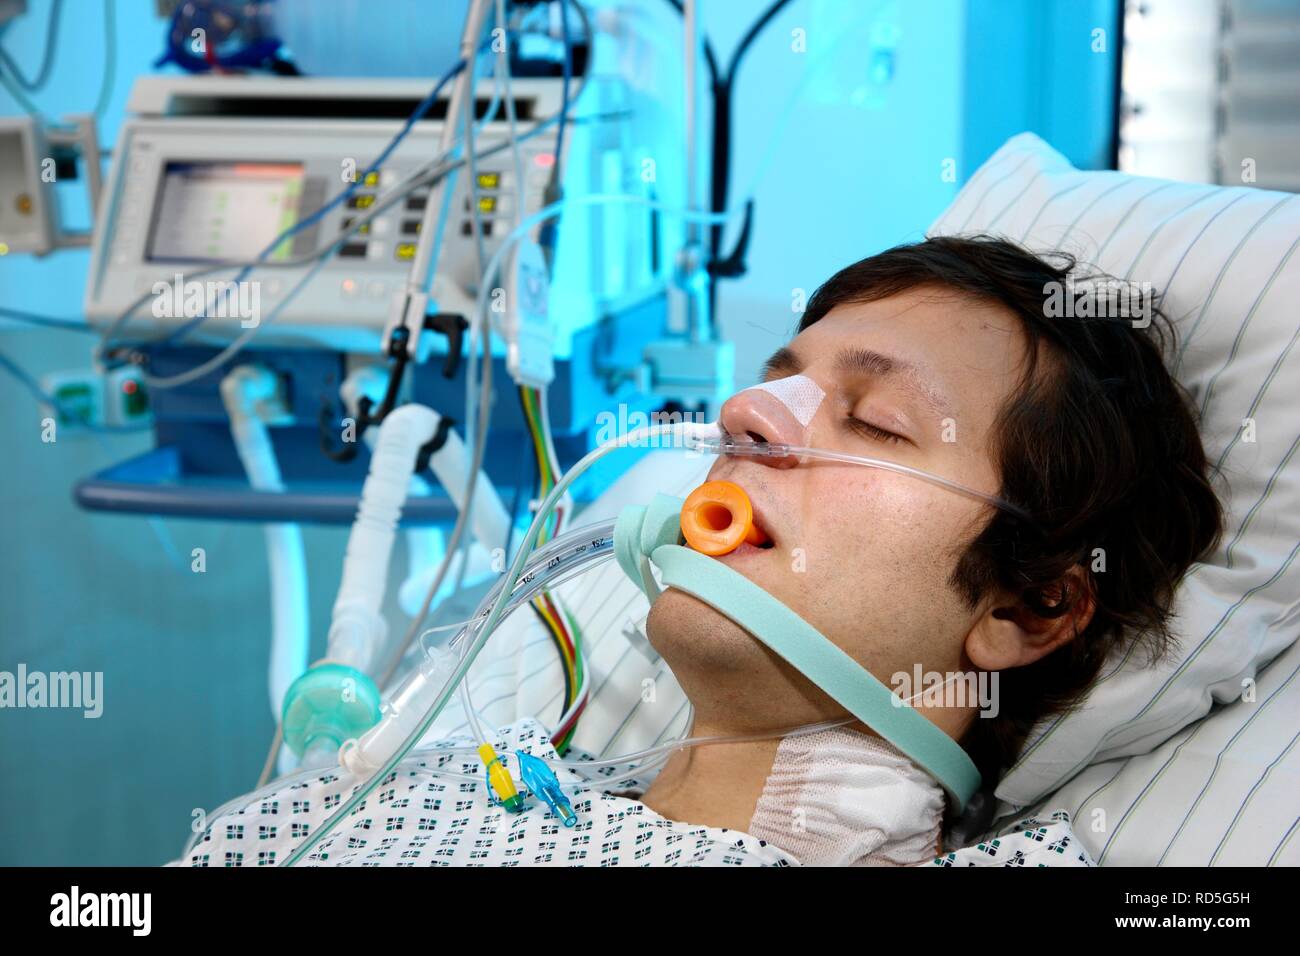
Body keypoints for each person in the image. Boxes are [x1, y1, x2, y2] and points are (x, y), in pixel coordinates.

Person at [177, 236, 1222, 867]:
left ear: (1027, 606)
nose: (745, 413)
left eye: (878, 420)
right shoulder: (430, 790)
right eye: (780, 383)